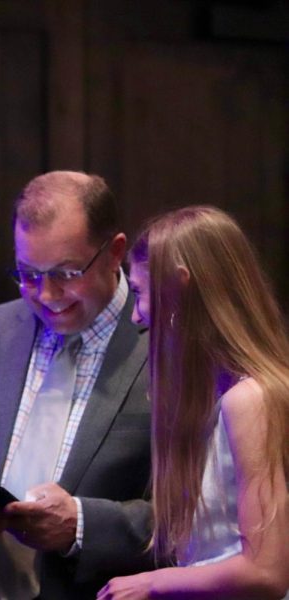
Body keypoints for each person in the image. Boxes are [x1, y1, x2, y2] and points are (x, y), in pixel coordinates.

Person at [0, 171, 153, 599]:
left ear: (115, 252)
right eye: (28, 274)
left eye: (66, 273)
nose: (46, 294)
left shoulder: (166, 345)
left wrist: (82, 524)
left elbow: (205, 518)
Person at [98, 206, 289, 599]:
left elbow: (267, 572)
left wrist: (154, 583)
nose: (135, 316)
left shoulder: (251, 400)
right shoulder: (213, 397)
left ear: (179, 286)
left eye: (139, 293)